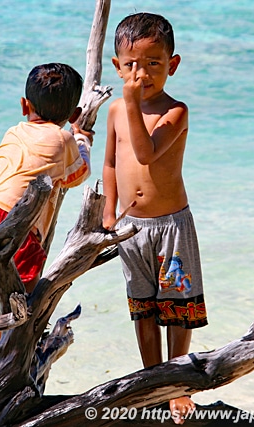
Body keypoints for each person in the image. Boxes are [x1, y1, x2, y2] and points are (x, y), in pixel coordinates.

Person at [102, 13, 207, 424]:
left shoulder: (175, 112)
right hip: (132, 228)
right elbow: (110, 163)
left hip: (170, 226)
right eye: (130, 65)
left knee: (177, 307)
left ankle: (178, 384)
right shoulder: (114, 112)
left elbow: (145, 153)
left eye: (153, 64)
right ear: (116, 66)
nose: (140, 74)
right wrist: (109, 211)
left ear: (172, 65)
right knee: (143, 308)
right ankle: (151, 381)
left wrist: (131, 102)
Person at [0, 62, 93, 382]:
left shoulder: (13, 130)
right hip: (14, 216)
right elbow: (78, 175)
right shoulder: (64, 139)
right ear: (75, 113)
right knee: (20, 292)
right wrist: (82, 141)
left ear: (25, 105)